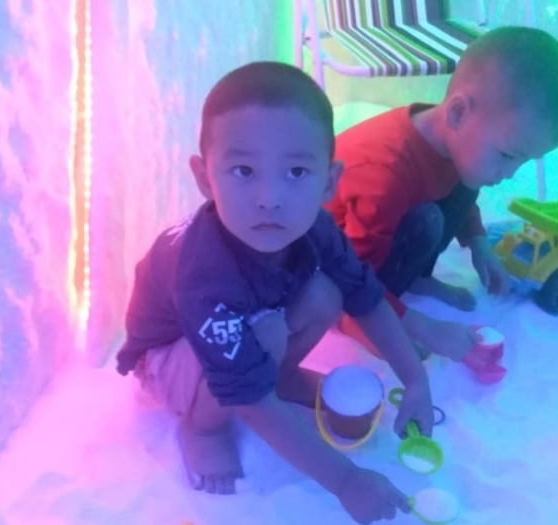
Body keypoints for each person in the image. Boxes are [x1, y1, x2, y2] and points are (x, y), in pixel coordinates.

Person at [115, 62, 435, 524]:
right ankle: (203, 429)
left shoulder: (315, 227)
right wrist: (347, 481)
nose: (269, 198)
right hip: (165, 355)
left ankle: (277, 375)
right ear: (205, 178)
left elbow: (366, 297)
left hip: (242, 323)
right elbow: (249, 398)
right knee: (264, 333)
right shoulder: (204, 272)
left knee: (326, 294)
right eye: (244, 170)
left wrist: (416, 381)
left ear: (328, 183)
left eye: (297, 172)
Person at [324, 26, 558, 363]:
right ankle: (358, 323)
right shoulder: (385, 174)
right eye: (507, 155)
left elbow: (458, 189)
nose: (510, 173)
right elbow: (351, 278)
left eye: (522, 161)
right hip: (329, 261)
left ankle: (412, 280)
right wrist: (423, 327)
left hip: (377, 239)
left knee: (466, 183)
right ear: (458, 112)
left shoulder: (452, 138)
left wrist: (479, 243)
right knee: (427, 219)